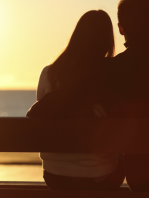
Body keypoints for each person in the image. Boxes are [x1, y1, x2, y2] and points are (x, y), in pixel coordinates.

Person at [28, 0, 149, 192]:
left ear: (121, 29)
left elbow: (58, 103)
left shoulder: (114, 69)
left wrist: (42, 108)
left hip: (147, 184)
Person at [36, 10, 125, 190]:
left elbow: (42, 117)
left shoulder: (49, 74)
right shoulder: (110, 74)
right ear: (107, 40)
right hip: (99, 177)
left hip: (54, 175)